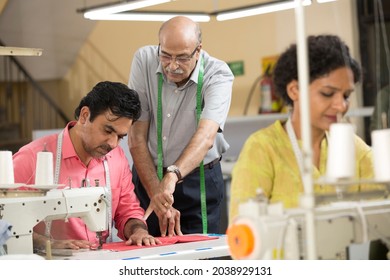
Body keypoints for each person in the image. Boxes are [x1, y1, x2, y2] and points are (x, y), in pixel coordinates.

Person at [229, 35, 380, 221]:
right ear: (294, 90)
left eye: (346, 96)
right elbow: (242, 229)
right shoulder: (262, 149)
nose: (341, 106)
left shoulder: (355, 150)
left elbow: (381, 214)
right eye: (328, 93)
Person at [13, 81, 160, 250]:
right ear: (84, 116)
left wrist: (138, 231)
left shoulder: (116, 158)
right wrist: (48, 244)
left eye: (120, 137)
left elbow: (127, 210)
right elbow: (6, 219)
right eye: (107, 131)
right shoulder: (32, 158)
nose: (113, 143)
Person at [128, 16, 234, 237]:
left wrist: (173, 175)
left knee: (200, 257)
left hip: (198, 181)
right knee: (148, 254)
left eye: (182, 58)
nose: (172, 65)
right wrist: (158, 192)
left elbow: (206, 136)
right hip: (149, 176)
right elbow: (136, 137)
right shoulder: (144, 60)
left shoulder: (218, 75)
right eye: (165, 55)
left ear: (198, 50)